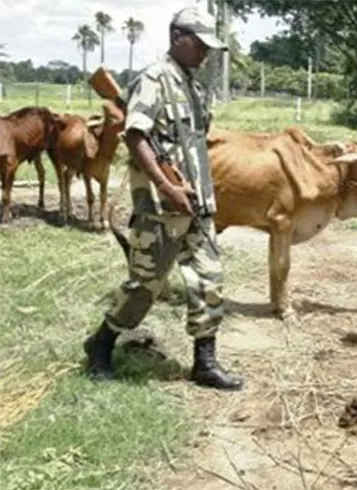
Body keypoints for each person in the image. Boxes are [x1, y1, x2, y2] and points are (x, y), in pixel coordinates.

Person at [83, 6, 243, 391]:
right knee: (146, 285)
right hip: (161, 208)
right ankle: (100, 344)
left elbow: (195, 141)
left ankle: (204, 362)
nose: (205, 54)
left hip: (198, 202)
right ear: (177, 38)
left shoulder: (195, 86)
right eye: (200, 44)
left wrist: (198, 190)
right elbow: (136, 137)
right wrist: (168, 186)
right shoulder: (154, 79)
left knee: (209, 279)